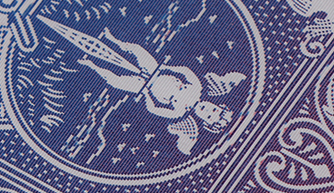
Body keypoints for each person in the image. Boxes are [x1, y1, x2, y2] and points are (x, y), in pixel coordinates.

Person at [78, 29, 240, 152]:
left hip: (144, 86)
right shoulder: (197, 88)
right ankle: (112, 39)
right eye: (214, 109)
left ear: (204, 121)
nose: (208, 111)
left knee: (115, 81)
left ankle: (91, 64)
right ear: (216, 104)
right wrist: (166, 68)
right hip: (156, 70)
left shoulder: (179, 113)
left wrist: (146, 93)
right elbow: (186, 71)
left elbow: (154, 109)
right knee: (136, 49)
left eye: (209, 116)